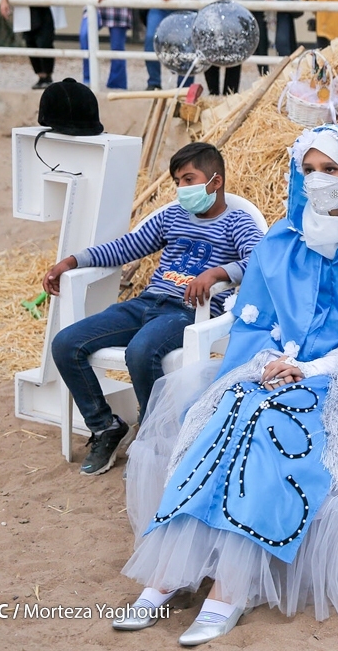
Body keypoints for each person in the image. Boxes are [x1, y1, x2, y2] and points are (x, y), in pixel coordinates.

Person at [113, 125, 338, 644]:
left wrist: (317, 369)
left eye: (330, 169)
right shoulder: (283, 238)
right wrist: (273, 359)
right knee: (226, 410)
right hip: (272, 365)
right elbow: (257, 319)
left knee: (270, 423)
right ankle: (169, 574)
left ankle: (231, 586)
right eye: (309, 170)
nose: (318, 180)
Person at [44, 141, 264, 476]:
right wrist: (73, 260)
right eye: (178, 181)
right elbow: (125, 247)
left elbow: (261, 260)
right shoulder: (173, 216)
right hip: (146, 303)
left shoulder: (237, 222)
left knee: (141, 351)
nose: (182, 189)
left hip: (189, 313)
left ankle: (153, 436)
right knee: (65, 343)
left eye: (189, 179)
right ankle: (105, 427)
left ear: (215, 181)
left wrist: (218, 273)